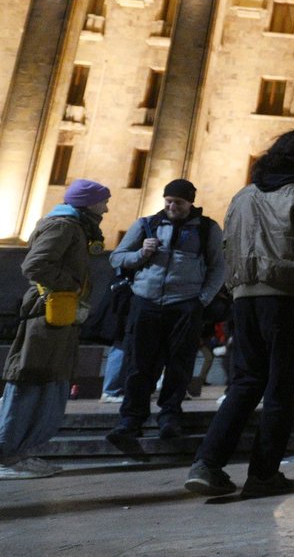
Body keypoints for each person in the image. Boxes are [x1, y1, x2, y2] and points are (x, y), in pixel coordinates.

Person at [185, 130, 294, 498]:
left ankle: (207, 463)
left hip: (243, 296)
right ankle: (264, 474)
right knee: (280, 387)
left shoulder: (242, 196)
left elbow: (226, 245)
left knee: (246, 381)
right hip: (285, 296)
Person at [0, 180, 110, 480]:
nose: (107, 207)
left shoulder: (76, 227)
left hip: (60, 316)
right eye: (103, 201)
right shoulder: (64, 226)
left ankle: (22, 451)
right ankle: (7, 454)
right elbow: (34, 265)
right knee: (30, 378)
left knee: (48, 380)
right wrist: (70, 285)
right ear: (88, 203)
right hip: (47, 313)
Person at [106, 179, 226, 445]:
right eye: (168, 201)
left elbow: (219, 267)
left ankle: (169, 416)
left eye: (179, 202)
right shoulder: (146, 225)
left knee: (179, 363)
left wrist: (201, 300)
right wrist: (140, 254)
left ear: (190, 203)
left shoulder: (207, 229)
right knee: (140, 363)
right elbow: (116, 257)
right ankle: (131, 419)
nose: (172, 206)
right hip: (146, 301)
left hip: (185, 304)